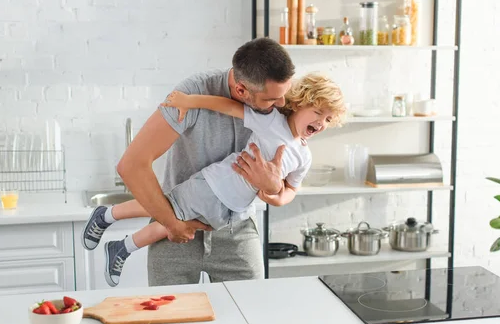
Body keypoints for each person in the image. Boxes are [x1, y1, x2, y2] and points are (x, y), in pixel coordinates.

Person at [82, 73, 346, 286]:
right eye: (318, 112)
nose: (322, 123)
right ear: (299, 103)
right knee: (167, 210)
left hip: (232, 210)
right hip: (214, 185)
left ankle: (120, 244)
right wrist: (190, 102)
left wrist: (274, 193)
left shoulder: (304, 156)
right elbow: (229, 108)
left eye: (328, 119)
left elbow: (290, 190)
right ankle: (111, 221)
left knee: (174, 220)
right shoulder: (271, 121)